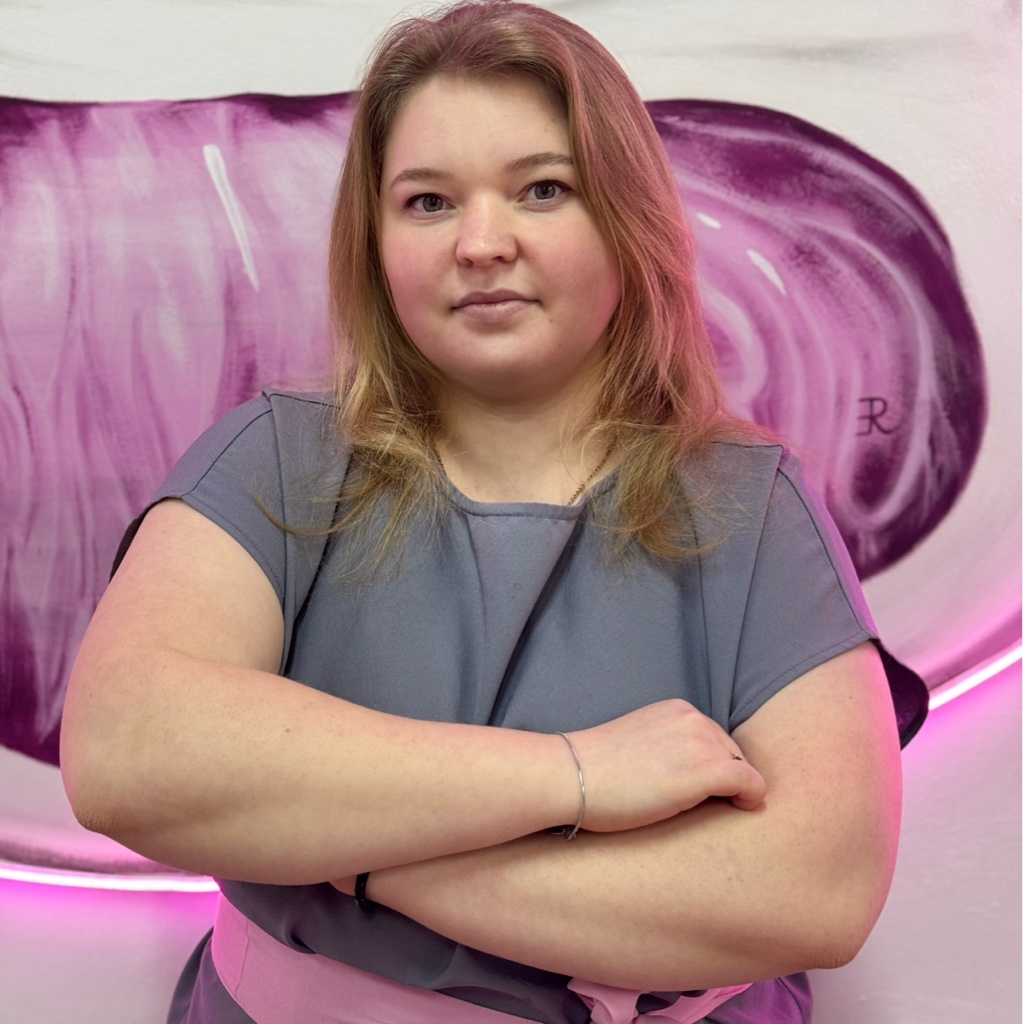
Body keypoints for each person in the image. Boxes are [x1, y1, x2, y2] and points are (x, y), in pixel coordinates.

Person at [59, 3, 906, 1022]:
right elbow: (126, 753)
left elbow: (817, 889)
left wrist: (353, 853)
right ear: (374, 241)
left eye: (543, 189)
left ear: (626, 217)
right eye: (427, 202)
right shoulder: (276, 460)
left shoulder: (751, 505)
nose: (481, 243)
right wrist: (576, 775)